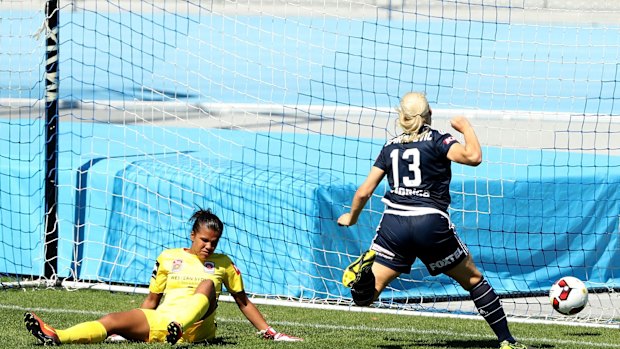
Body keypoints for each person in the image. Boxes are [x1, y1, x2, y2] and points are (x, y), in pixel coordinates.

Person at [337, 92, 528, 349]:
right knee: (473, 281)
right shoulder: (438, 140)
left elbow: (364, 191)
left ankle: (363, 279)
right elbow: (473, 157)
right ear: (429, 115)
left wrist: (351, 217)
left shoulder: (390, 147)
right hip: (430, 223)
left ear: (401, 118)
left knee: (368, 296)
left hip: (395, 224)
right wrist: (466, 127)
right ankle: (507, 341)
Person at [24, 208, 302, 345]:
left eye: (214, 243)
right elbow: (152, 299)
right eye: (204, 240)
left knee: (206, 285)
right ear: (192, 235)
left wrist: (270, 332)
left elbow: (243, 301)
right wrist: (126, 330)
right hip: (163, 322)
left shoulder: (223, 264)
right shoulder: (168, 257)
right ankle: (57, 335)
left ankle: (178, 327)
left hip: (195, 328)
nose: (209, 246)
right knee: (111, 321)